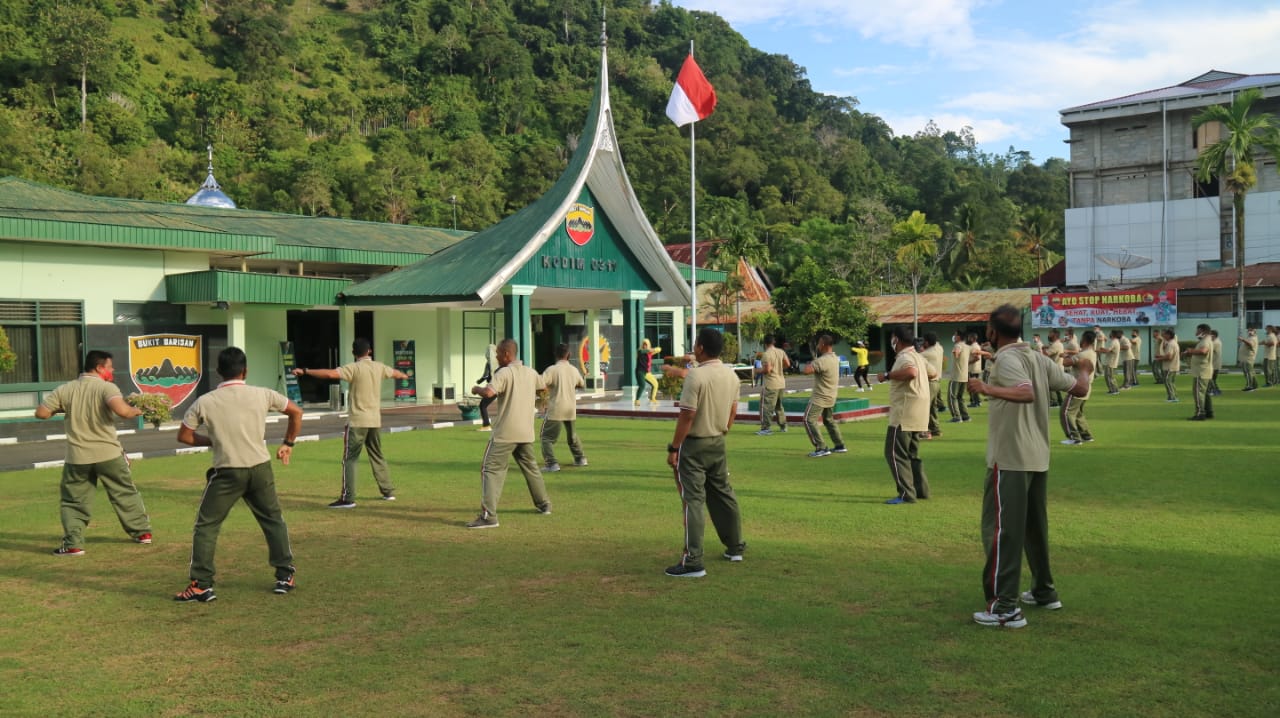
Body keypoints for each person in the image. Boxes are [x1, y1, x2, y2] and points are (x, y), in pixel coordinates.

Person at [968, 304, 1093, 629]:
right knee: (1034, 531)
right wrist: (1084, 368)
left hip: (1010, 459)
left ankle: (1004, 608)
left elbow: (1025, 392)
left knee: (1002, 532)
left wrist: (986, 388)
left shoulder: (1009, 359)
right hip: (1037, 458)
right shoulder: (1037, 358)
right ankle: (1043, 591)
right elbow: (1079, 388)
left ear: (993, 331)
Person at [175, 347, 303, 602]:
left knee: (207, 526)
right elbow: (295, 411)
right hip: (260, 467)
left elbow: (184, 436)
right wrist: (288, 443)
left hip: (227, 471)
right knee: (272, 520)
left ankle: (201, 584)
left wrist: (211, 441)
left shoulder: (205, 401)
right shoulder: (262, 394)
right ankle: (285, 575)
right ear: (245, 371)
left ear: (219, 372)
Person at [35, 350, 151, 556]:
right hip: (109, 454)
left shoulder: (66, 389)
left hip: (77, 458)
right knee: (124, 493)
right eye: (110, 366)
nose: (112, 370)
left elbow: (41, 413)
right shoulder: (107, 387)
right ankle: (142, 533)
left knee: (74, 501)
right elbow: (122, 411)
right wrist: (137, 410)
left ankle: (73, 544)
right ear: (99, 368)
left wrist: (66, 408)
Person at [664, 328, 745, 578]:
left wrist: (674, 447)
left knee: (693, 500)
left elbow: (687, 414)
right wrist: (722, 431)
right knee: (723, 493)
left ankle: (693, 561)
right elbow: (733, 411)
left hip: (695, 444)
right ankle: (735, 546)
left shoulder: (696, 377)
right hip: (718, 441)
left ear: (700, 348)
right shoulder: (732, 376)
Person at [296, 338, 408, 508]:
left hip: (357, 421)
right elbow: (396, 373)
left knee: (350, 460)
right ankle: (388, 492)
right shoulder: (379, 367)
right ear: (369, 351)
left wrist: (306, 371)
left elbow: (329, 374)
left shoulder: (354, 368)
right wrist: (404, 375)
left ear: (354, 353)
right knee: (377, 455)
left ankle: (348, 499)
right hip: (375, 421)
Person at [467, 339, 552, 528]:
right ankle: (544, 504)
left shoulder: (504, 373)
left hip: (505, 433)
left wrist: (476, 389)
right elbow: (544, 389)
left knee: (489, 469)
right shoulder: (531, 372)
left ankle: (489, 517)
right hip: (525, 432)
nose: (496, 357)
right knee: (531, 469)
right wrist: (541, 404)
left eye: (498, 353)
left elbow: (489, 393)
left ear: (506, 354)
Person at [879, 327, 931, 504]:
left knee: (894, 453)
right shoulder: (918, 356)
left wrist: (887, 375)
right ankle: (920, 489)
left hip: (904, 412)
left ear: (897, 340)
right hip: (919, 412)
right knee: (912, 454)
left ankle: (906, 494)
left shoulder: (905, 357)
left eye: (893, 338)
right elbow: (933, 373)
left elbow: (911, 372)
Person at [540, 343, 587, 471]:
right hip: (570, 408)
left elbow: (540, 384)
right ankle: (580, 458)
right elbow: (581, 384)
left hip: (556, 408)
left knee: (546, 438)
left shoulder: (552, 370)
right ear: (569, 355)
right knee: (572, 436)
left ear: (555, 355)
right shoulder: (574, 370)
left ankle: (552, 464)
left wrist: (544, 398)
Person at [802, 334, 846, 457]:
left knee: (808, 419)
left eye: (819, 343)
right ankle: (839, 445)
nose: (817, 345)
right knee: (828, 420)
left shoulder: (822, 360)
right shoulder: (835, 358)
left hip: (820, 397)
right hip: (831, 395)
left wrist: (811, 361)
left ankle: (821, 447)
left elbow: (806, 370)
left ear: (822, 345)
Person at [1060, 331, 1098, 445]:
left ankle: (1074, 438)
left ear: (1085, 340)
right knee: (1078, 413)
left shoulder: (1083, 354)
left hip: (1077, 386)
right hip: (1086, 387)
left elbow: (1066, 363)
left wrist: (1065, 356)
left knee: (1066, 412)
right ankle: (1086, 435)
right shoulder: (1092, 353)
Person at [756, 335, 790, 435]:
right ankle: (783, 426)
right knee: (779, 406)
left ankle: (765, 428)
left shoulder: (766, 354)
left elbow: (767, 370)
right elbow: (787, 364)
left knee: (766, 407)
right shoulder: (781, 351)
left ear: (765, 343)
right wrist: (778, 368)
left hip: (771, 384)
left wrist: (756, 370)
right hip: (781, 383)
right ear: (774, 342)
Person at [1183, 324, 1215, 421]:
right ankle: (1208, 412)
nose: (1195, 332)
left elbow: (1204, 351)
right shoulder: (1207, 340)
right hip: (1205, 371)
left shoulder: (1205, 341)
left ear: (1202, 331)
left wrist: (1190, 351)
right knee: (1205, 393)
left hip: (1201, 371)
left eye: (1197, 330)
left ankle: (1200, 413)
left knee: (1198, 393)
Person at [919, 333, 944, 439]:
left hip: (929, 382)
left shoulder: (925, 354)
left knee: (923, 407)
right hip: (937, 382)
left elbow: (916, 357)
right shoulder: (939, 348)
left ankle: (924, 431)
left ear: (927, 342)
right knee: (932, 408)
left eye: (924, 341)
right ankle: (935, 429)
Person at [947, 331, 973, 423]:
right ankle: (965, 416)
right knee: (960, 397)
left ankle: (956, 417)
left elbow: (957, 352)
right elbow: (977, 352)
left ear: (958, 337)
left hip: (956, 376)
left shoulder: (958, 345)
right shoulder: (967, 346)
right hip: (964, 376)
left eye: (955, 334)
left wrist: (956, 353)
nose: (954, 336)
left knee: (952, 397)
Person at [476, 343, 498, 431]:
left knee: (483, 405)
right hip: (499, 388)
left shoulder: (489, 364)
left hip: (492, 388)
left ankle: (486, 425)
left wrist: (478, 381)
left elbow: (485, 376)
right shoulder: (499, 362)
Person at [634, 339, 662, 406]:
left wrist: (654, 349)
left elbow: (659, 349)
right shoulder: (640, 351)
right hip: (640, 371)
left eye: (646, 344)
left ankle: (652, 398)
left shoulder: (649, 353)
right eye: (644, 344)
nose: (645, 345)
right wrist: (650, 350)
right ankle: (637, 400)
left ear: (648, 345)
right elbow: (645, 351)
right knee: (642, 385)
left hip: (647, 372)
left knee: (655, 384)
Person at [1042, 330, 1065, 408]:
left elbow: (1045, 354)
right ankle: (1060, 401)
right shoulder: (1058, 344)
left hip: (1055, 368)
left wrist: (1043, 349)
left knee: (1051, 385)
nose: (1048, 335)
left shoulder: (1056, 345)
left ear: (1055, 335)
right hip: (1058, 367)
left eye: (1050, 333)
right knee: (1057, 386)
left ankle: (1054, 401)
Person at [1157, 329, 1180, 402]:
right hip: (1173, 366)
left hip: (1170, 366)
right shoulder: (1173, 343)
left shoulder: (1171, 344)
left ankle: (1172, 397)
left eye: (1165, 334)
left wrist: (1160, 358)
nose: (1164, 335)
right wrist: (1161, 356)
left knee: (1167, 381)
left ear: (1169, 335)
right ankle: (1174, 396)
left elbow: (1169, 357)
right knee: (1171, 382)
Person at [1097, 330, 1122, 395]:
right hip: (1110, 361)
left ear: (1113, 335)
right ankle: (1113, 390)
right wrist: (1102, 349)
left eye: (1110, 333)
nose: (1109, 334)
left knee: (1109, 377)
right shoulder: (1115, 341)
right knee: (1109, 376)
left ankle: (1114, 390)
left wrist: (1099, 350)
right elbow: (1110, 351)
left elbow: (1108, 350)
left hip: (1111, 362)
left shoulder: (1114, 342)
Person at [966, 333, 985, 408]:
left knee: (972, 386)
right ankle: (977, 401)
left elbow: (977, 358)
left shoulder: (973, 347)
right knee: (973, 386)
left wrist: (967, 362)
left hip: (973, 369)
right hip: (975, 369)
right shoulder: (976, 346)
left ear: (972, 338)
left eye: (969, 337)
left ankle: (976, 402)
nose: (968, 338)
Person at [1207, 330, 1224, 396]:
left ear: (1213, 335)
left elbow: (1207, 349)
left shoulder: (1215, 343)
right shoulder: (1216, 341)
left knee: (1210, 378)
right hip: (1215, 363)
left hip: (1214, 364)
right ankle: (1216, 390)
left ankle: (1214, 391)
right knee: (1212, 379)